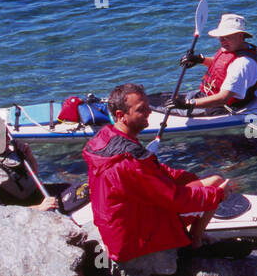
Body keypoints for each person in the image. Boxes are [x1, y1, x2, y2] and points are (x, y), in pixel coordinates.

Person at [83, 84, 231, 264]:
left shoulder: (105, 138)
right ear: (121, 116)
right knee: (215, 185)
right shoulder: (130, 162)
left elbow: (153, 174)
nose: (149, 112)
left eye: (147, 106)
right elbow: (173, 199)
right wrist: (216, 195)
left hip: (117, 227)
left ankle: (194, 236)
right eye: (141, 109)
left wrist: (188, 178)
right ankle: (194, 245)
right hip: (133, 240)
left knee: (209, 181)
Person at [174, 13, 257, 116]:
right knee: (159, 99)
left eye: (226, 37)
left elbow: (223, 98)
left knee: (168, 106)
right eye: (221, 36)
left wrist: (188, 104)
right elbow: (221, 66)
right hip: (207, 95)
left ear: (240, 35)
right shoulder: (237, 48)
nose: (222, 40)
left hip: (222, 106)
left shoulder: (242, 63)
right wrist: (200, 60)